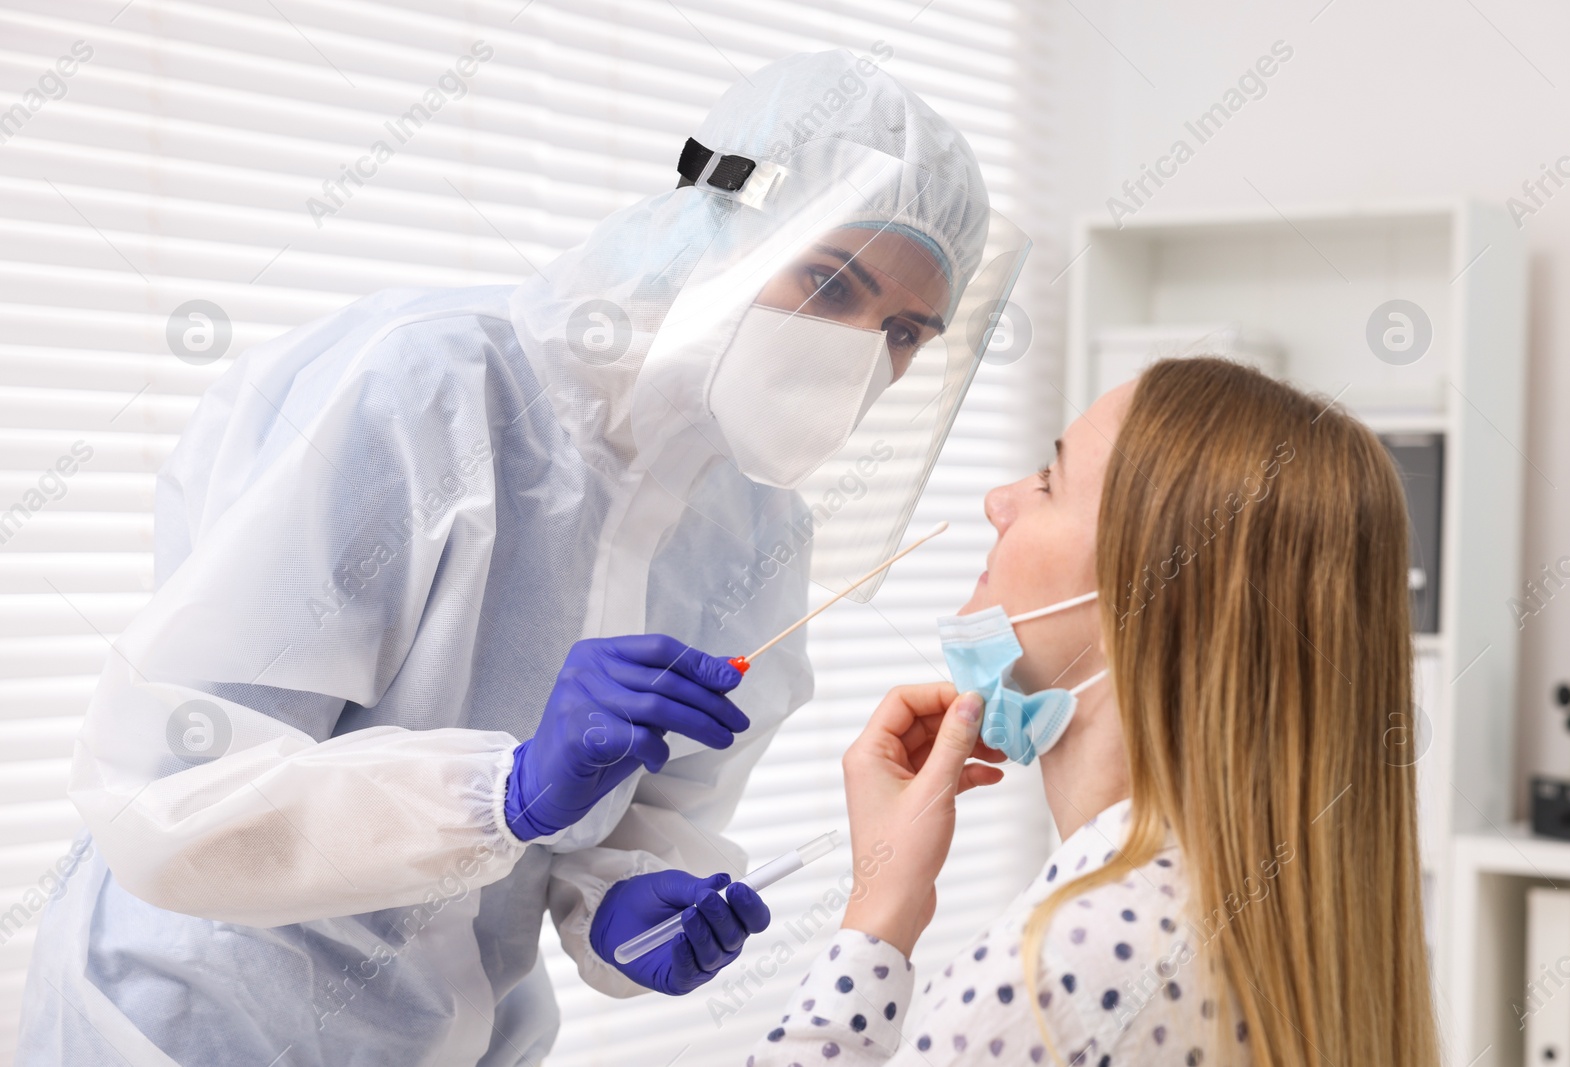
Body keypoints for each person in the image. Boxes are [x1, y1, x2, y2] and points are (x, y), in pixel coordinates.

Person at [18, 50, 1030, 1066]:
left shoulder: (759, 529)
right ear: (722, 220)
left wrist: (625, 896)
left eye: (903, 330)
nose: (857, 348)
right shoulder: (425, 390)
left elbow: (650, 813)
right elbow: (167, 795)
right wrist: (502, 790)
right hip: (196, 1027)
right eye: (826, 281)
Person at [754, 357, 1440, 1066]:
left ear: (1157, 594)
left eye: (1049, 483)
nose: (999, 499)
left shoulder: (1061, 974)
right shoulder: (1287, 925)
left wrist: (874, 919)